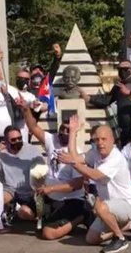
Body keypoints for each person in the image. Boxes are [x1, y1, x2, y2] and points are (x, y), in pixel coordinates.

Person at [58, 116, 131, 253]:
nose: (100, 143)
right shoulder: (95, 152)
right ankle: (128, 225)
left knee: (99, 206)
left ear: (112, 140)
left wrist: (73, 163)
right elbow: (75, 158)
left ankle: (120, 239)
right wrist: (73, 132)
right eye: (97, 140)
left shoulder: (116, 157)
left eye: (104, 139)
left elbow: (95, 175)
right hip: (110, 205)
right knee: (91, 239)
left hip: (128, 203)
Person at [21, 102, 85, 240]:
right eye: (62, 128)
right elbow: (32, 126)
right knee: (23, 211)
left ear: (74, 133)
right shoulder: (52, 140)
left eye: (68, 130)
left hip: (71, 199)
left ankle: (79, 219)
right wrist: (25, 109)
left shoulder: (77, 154)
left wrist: (51, 188)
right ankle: (45, 219)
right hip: (49, 196)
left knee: (48, 234)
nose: (63, 132)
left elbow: (77, 184)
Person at [81, 59, 131, 146]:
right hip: (124, 130)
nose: (121, 71)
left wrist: (130, 93)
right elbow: (106, 100)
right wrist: (89, 98)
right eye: (119, 69)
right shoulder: (118, 86)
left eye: (124, 69)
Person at [0, 126, 45, 223]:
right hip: (10, 190)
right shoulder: (1, 153)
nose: (17, 141)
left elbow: (42, 172)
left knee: (25, 212)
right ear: (6, 141)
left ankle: (15, 210)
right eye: (13, 140)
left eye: (20, 138)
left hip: (29, 192)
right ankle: (6, 211)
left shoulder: (32, 150)